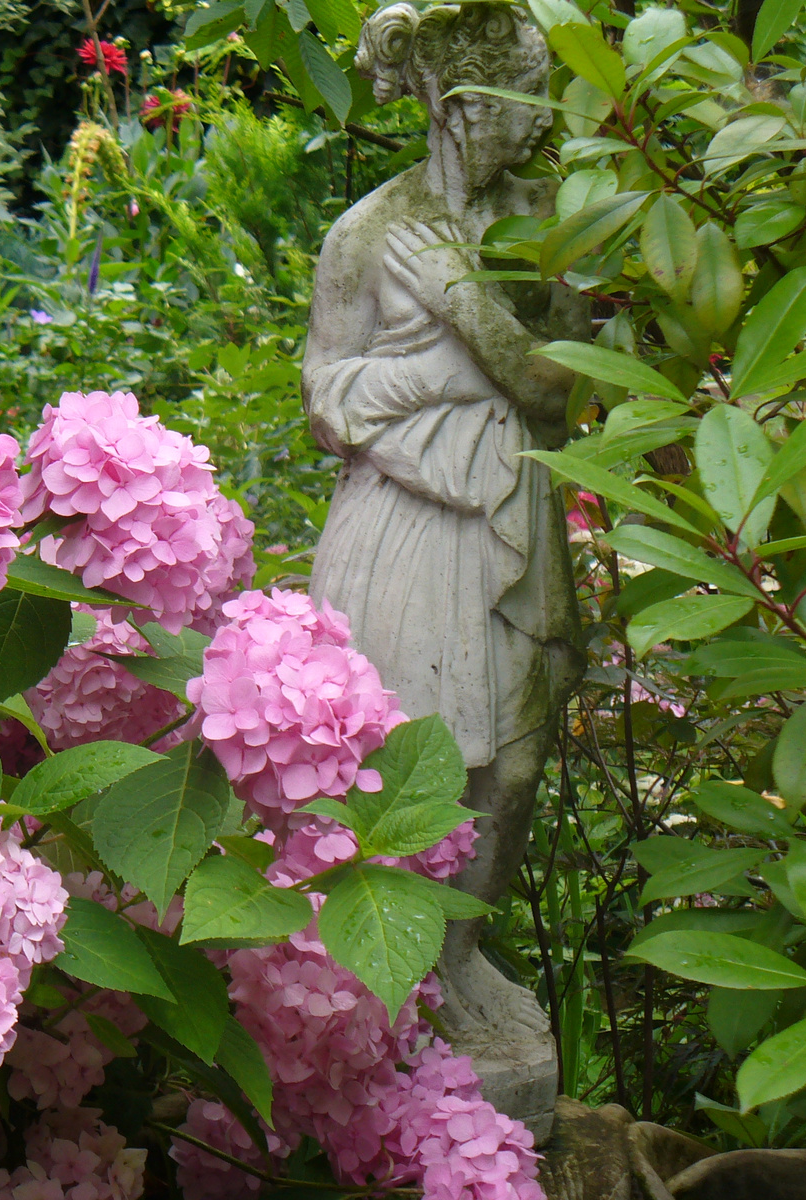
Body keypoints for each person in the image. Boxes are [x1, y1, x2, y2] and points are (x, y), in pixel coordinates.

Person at [304, 1, 586, 1131]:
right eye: (519, 105)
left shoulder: (545, 225)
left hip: (507, 510)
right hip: (402, 520)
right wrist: (425, 383)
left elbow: (553, 385)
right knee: (409, 763)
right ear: (458, 106)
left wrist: (465, 308)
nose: (538, 127)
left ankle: (458, 956)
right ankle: (400, 971)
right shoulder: (368, 235)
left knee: (509, 770)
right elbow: (329, 398)